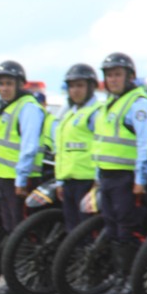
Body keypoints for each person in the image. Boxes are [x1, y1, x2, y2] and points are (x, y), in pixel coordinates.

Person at [91, 52, 147, 294]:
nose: (113, 80)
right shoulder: (110, 104)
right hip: (108, 176)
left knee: (128, 228)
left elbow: (144, 143)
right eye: (109, 75)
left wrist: (141, 178)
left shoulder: (138, 103)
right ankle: (119, 278)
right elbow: (101, 145)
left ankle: (131, 283)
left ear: (130, 76)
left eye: (117, 75)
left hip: (126, 178)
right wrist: (97, 177)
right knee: (114, 228)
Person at [0, 61, 45, 229]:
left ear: (20, 85)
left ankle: (22, 256)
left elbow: (29, 147)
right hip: (4, 176)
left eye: (9, 84)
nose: (4, 88)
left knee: (21, 228)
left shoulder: (28, 108)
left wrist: (21, 180)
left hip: (20, 179)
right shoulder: (7, 107)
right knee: (9, 226)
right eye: (1, 84)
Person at [53, 64, 100, 233]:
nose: (75, 90)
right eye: (71, 86)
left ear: (91, 87)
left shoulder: (96, 113)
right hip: (69, 181)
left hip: (87, 181)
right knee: (73, 231)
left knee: (86, 232)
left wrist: (98, 179)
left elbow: (101, 147)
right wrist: (60, 181)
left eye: (79, 86)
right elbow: (61, 150)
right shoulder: (69, 114)